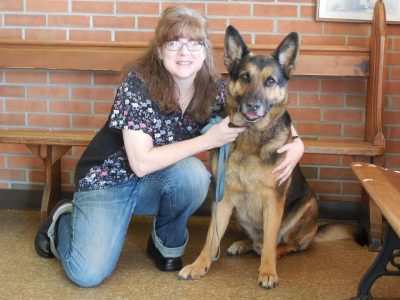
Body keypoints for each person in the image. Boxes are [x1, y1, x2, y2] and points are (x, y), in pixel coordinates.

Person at [34, 6, 305, 288]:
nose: (184, 52)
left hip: (157, 179)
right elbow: (140, 163)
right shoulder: (138, 84)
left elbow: (261, 108)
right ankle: (61, 222)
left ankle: (164, 244)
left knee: (195, 176)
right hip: (110, 180)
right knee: (86, 273)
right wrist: (208, 140)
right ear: (160, 50)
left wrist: (297, 144)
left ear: (205, 52)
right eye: (173, 43)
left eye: (194, 44)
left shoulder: (214, 88)